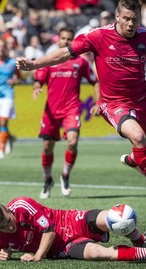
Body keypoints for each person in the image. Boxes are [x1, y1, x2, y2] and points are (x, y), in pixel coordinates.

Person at [16, 0, 146, 214]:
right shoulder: (98, 36)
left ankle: (135, 159)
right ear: (117, 16)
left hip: (143, 102)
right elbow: (65, 53)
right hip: (113, 104)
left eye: (135, 19)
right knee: (138, 137)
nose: (131, 24)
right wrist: (35, 64)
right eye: (126, 18)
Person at [0, 196, 146, 262]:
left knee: (116, 217)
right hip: (61, 248)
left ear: (8, 210)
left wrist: (37, 256)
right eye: (3, 227)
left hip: (69, 220)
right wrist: (4, 253)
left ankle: (140, 239)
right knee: (98, 254)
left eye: (9, 220)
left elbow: (49, 229)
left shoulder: (22, 205)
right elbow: (1, 249)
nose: (10, 226)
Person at [32, 27, 99, 199]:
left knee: (72, 141)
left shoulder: (81, 62)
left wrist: (99, 101)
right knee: (47, 147)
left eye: (70, 39)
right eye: (64, 38)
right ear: (58, 40)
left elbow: (95, 82)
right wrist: (37, 88)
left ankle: (65, 175)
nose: (67, 42)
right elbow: (38, 80)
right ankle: (48, 180)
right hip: (51, 111)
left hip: (72, 108)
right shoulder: (50, 61)